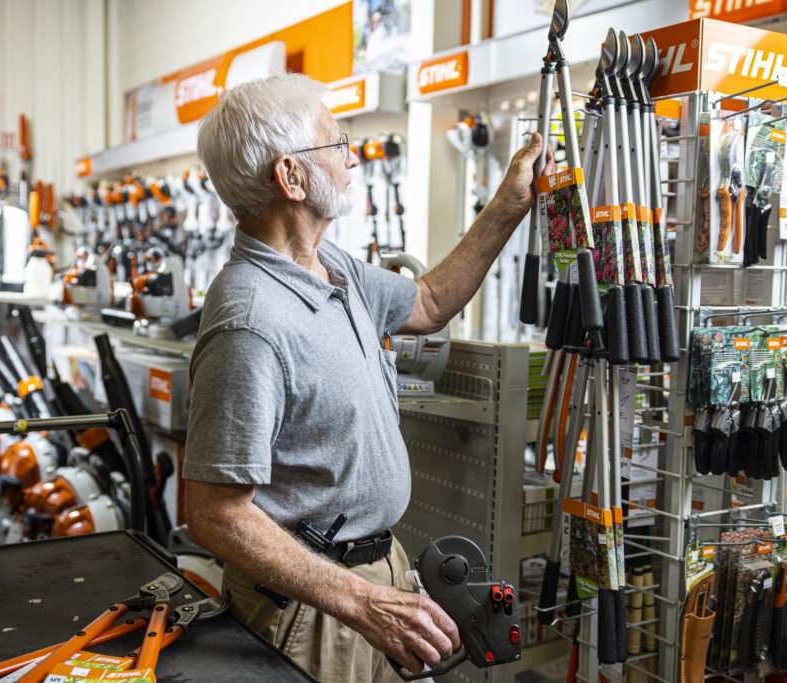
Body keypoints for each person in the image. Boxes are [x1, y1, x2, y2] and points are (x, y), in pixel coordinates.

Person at [185, 73, 543, 683]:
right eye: (335, 143)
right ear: (291, 177)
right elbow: (214, 512)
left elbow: (428, 302)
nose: (350, 157)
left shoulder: (334, 268)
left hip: (374, 571)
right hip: (312, 607)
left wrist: (509, 203)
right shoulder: (251, 320)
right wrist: (359, 601)